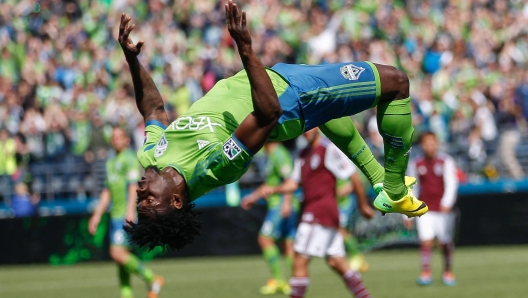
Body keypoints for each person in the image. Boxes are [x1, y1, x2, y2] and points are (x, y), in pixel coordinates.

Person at [120, 0, 427, 251]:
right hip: (292, 98)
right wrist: (245, 50)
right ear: (175, 201)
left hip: (280, 78)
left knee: (331, 110)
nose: (141, 189)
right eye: (149, 199)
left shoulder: (151, 157)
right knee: (396, 82)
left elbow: (154, 110)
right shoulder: (214, 168)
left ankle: (378, 179)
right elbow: (268, 113)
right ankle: (394, 188)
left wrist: (132, 60)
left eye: (140, 197)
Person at [262, 128, 373, 298]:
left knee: (299, 259)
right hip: (318, 213)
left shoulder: (329, 149)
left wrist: (363, 205)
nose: (307, 131)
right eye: (304, 129)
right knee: (336, 261)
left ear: (319, 127)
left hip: (320, 212)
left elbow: (354, 177)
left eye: (311, 127)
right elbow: (293, 183)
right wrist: (274, 189)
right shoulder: (303, 154)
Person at [88, 127, 164, 298]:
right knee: (122, 260)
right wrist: (97, 214)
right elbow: (107, 192)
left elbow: (132, 186)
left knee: (116, 253)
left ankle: (152, 278)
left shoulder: (129, 159)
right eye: (113, 137)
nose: (115, 140)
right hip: (114, 215)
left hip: (124, 214)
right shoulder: (110, 162)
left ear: (126, 140)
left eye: (119, 137)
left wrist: (130, 211)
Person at [241, 141, 299, 295]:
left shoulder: (279, 153)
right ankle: (296, 282)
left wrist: (286, 203)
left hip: (281, 204)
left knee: (265, 239)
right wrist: (253, 197)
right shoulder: (270, 154)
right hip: (281, 203)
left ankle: (279, 279)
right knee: (288, 244)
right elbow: (269, 184)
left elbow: (290, 181)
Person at [405, 131, 458, 286]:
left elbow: (451, 184)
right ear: (422, 145)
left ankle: (448, 271)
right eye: (426, 143)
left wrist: (447, 203)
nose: (429, 146)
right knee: (426, 241)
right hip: (425, 209)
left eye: (432, 142)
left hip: (443, 210)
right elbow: (412, 188)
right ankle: (426, 272)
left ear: (437, 143)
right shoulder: (416, 163)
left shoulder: (446, 161)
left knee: (444, 243)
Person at [335, 179, 369, 272]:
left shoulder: (347, 165)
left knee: (340, 230)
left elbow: (357, 182)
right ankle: (358, 259)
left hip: (344, 204)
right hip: (334, 204)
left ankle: (357, 257)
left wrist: (343, 190)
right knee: (340, 231)